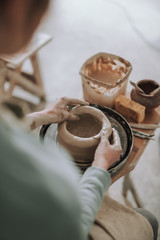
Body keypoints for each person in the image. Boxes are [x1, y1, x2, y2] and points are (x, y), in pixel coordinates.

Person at [0, 1, 158, 240]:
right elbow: (73, 227)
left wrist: (38, 118)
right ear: (18, 9)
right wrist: (98, 169)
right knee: (148, 219)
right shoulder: (31, 173)